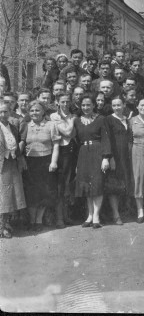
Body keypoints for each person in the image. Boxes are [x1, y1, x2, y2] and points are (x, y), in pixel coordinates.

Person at [21, 101, 60, 232]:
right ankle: (32, 220)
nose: (34, 113)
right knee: (32, 193)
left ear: (43, 111)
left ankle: (39, 220)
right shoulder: (26, 125)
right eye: (32, 111)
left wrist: (53, 162)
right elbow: (21, 144)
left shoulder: (51, 125)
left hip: (46, 162)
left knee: (45, 191)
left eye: (37, 110)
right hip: (30, 163)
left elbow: (56, 145)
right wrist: (22, 160)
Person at [73, 94, 112, 229]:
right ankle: (89, 215)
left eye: (88, 105)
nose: (86, 107)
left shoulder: (101, 119)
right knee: (86, 186)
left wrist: (106, 157)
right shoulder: (77, 121)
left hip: (97, 152)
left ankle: (96, 216)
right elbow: (76, 141)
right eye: (83, 105)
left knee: (97, 184)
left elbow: (105, 138)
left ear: (94, 105)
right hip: (83, 154)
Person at [50, 93, 77, 229]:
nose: (65, 104)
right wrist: (73, 122)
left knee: (69, 185)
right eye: (62, 102)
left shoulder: (72, 115)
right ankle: (59, 218)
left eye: (67, 102)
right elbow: (67, 132)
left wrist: (71, 127)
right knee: (61, 185)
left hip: (73, 151)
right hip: (61, 153)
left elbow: (73, 133)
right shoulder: (54, 116)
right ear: (58, 103)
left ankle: (66, 216)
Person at [104, 96, 132, 225]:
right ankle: (116, 215)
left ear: (124, 105)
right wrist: (111, 158)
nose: (116, 108)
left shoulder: (127, 119)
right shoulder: (109, 120)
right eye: (114, 105)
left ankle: (124, 210)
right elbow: (107, 139)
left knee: (124, 183)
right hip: (116, 156)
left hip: (127, 156)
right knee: (114, 185)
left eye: (119, 105)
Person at [0, 100, 26, 238]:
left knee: (9, 196)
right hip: (1, 164)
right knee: (2, 195)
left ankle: (6, 224)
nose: (3, 114)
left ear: (10, 112)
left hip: (12, 164)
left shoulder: (13, 126)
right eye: (0, 111)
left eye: (5, 111)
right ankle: (1, 227)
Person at [129, 98, 144, 223]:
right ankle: (140, 211)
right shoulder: (132, 121)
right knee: (138, 179)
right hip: (137, 151)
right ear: (137, 107)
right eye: (142, 105)